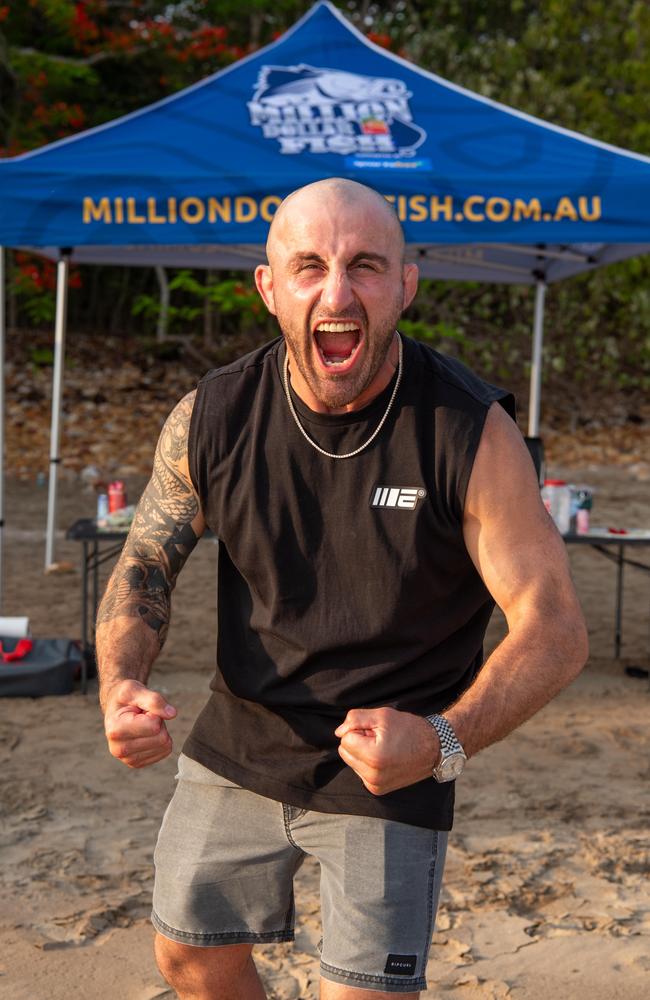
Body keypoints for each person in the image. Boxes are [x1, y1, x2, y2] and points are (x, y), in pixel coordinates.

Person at [96, 177, 588, 1000]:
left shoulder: (470, 430)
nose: (336, 291)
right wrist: (119, 686)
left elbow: (555, 627)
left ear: (405, 284)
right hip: (243, 740)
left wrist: (441, 741)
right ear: (269, 288)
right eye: (309, 266)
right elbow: (143, 565)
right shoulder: (211, 416)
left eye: (365, 266)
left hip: (389, 764)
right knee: (188, 957)